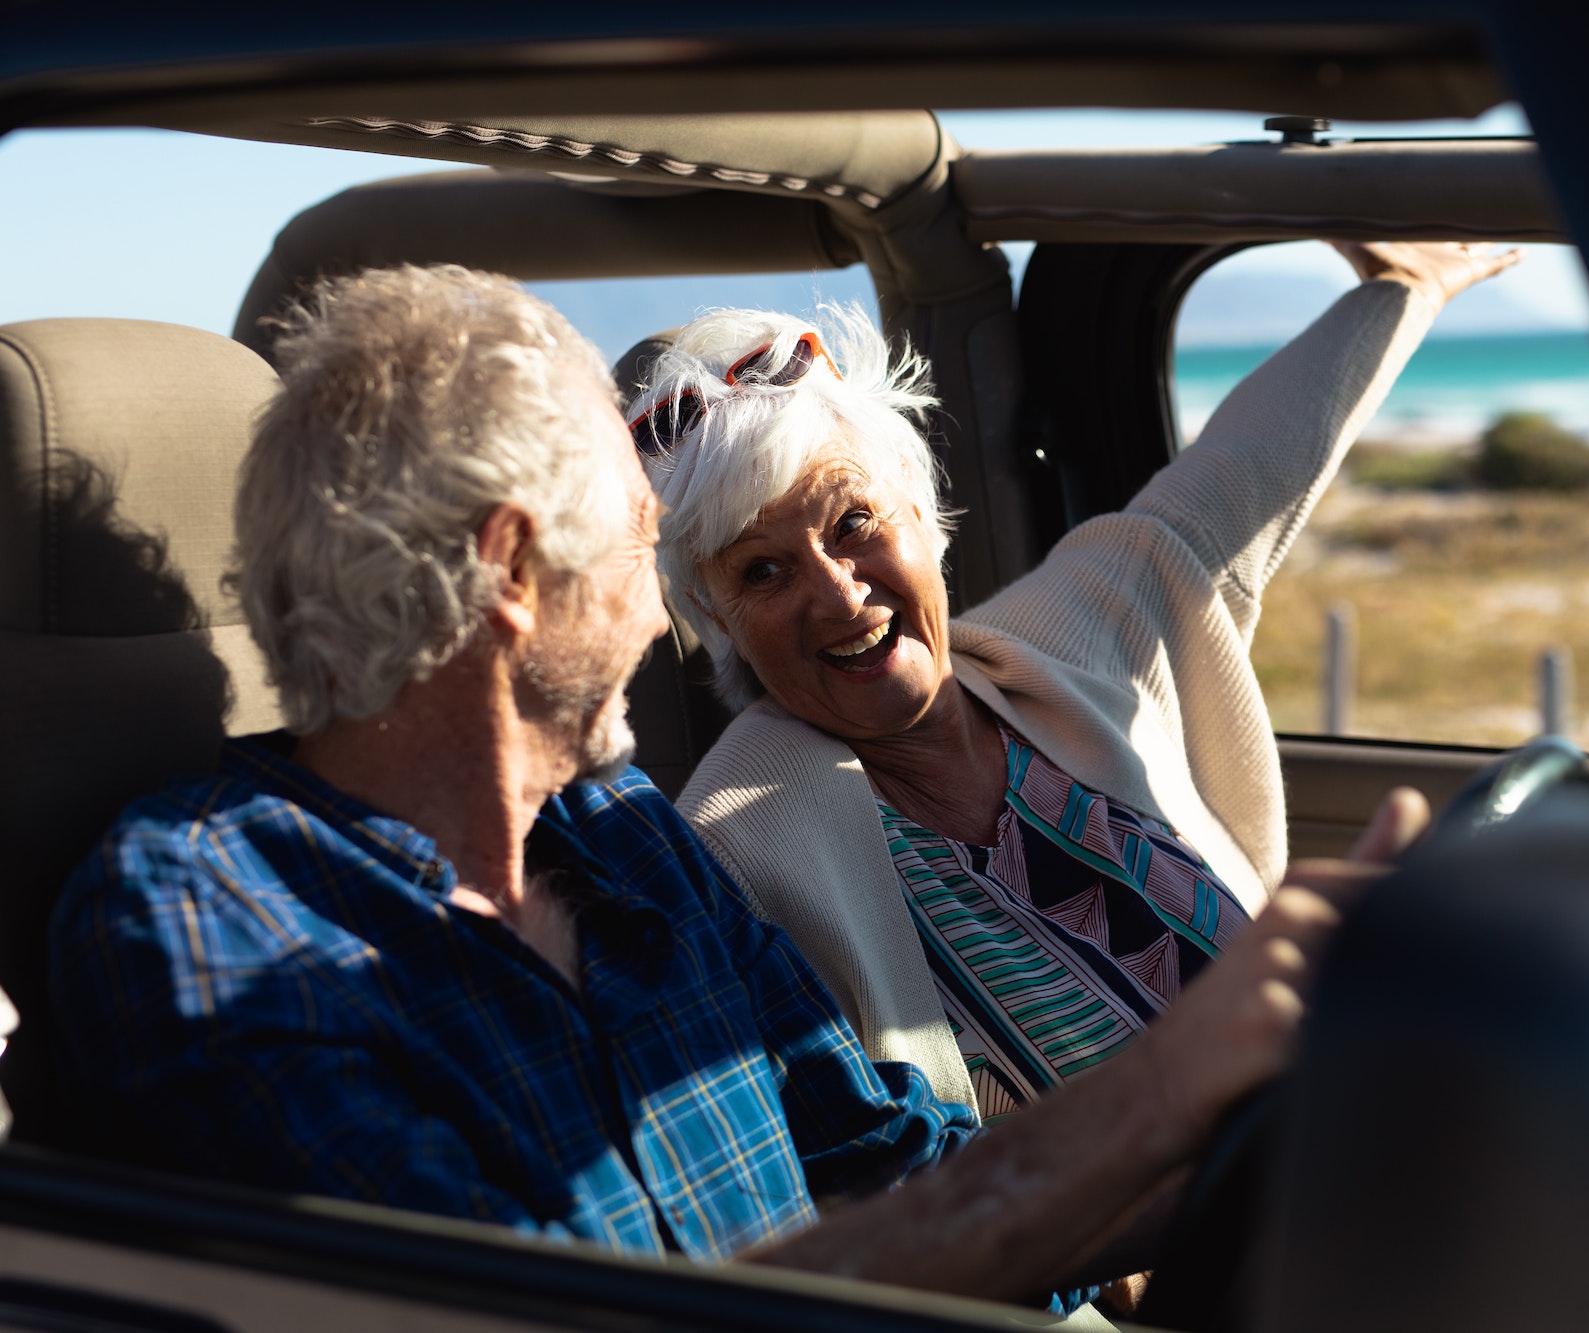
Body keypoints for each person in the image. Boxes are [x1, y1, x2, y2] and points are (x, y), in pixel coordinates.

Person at [48, 263, 1354, 1310]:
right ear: (515, 574)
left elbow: (900, 1168)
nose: (669, 624)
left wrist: (1283, 1131)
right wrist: (1157, 1088)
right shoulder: (210, 928)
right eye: (646, 545)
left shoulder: (621, 841)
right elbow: (516, 1306)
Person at [646, 241, 1511, 1119]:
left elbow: (1246, 469)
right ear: (717, 620)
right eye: (761, 572)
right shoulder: (732, 852)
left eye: (855, 520)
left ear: (917, 503)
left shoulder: (1060, 640)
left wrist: (1407, 287)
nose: (838, 593)